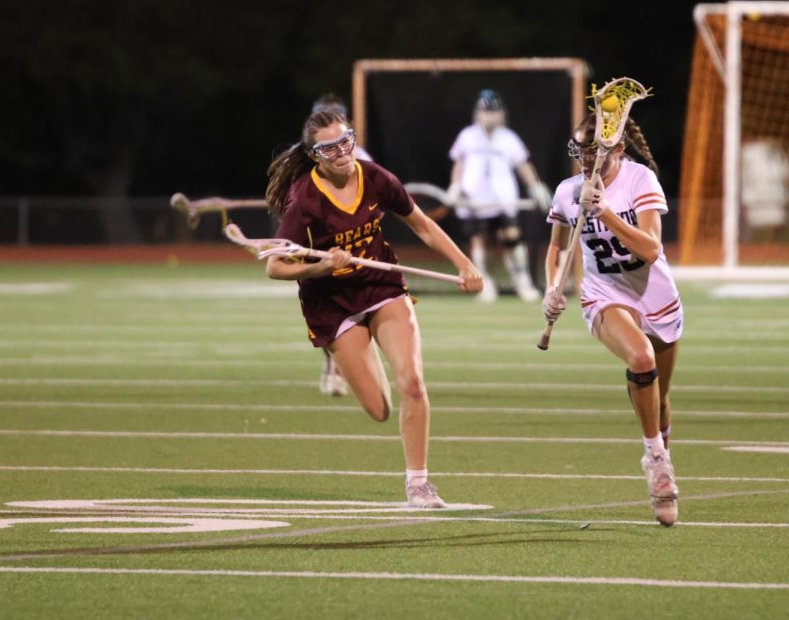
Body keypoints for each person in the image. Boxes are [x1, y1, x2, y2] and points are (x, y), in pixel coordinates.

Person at [265, 107, 483, 507]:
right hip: (332, 303)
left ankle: (418, 484)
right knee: (380, 410)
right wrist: (321, 265)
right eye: (330, 148)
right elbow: (276, 266)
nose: (343, 152)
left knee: (413, 383)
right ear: (315, 155)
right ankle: (347, 356)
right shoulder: (304, 200)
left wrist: (465, 264)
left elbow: (422, 224)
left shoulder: (377, 177)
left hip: (382, 288)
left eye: (347, 140)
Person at [542, 111, 682, 527]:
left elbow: (652, 249)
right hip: (604, 293)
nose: (585, 162)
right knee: (641, 360)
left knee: (659, 398)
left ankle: (660, 448)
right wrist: (552, 289)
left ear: (617, 149)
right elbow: (557, 249)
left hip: (654, 293)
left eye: (594, 154)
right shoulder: (567, 192)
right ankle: (657, 463)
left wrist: (605, 213)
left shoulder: (640, 180)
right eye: (580, 153)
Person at [448, 89, 552, 303]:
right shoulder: (468, 136)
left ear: (501, 114)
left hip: (504, 200)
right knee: (479, 241)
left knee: (512, 238)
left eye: (494, 112)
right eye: (486, 112)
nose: (490, 116)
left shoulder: (508, 139)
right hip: (475, 200)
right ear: (478, 113)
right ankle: (484, 283)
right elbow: (459, 163)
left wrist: (535, 186)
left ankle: (523, 284)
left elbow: (522, 164)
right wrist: (456, 185)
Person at [310, 93, 370, 396]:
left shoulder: (362, 157)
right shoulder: (304, 157)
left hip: (359, 244)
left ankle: (344, 367)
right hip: (321, 247)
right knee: (328, 310)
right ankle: (333, 364)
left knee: (361, 309)